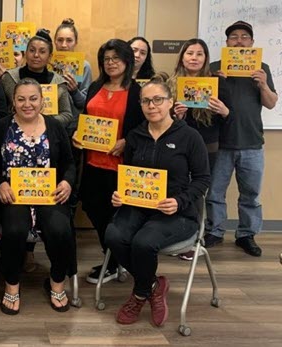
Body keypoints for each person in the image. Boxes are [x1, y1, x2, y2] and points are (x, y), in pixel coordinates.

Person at [104, 75, 210, 327]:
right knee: (113, 235)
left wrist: (179, 201)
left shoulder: (189, 137)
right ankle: (153, 284)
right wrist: (120, 194)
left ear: (171, 102)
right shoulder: (135, 136)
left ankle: (139, 294)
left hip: (177, 212)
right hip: (137, 206)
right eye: (146, 101)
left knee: (143, 242)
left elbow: (203, 179)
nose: (152, 106)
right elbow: (128, 175)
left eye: (158, 100)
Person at [0, 78, 77, 315]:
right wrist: (0, 183)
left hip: (49, 195)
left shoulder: (55, 127)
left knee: (59, 228)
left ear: (42, 101)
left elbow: (69, 162)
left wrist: (66, 182)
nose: (27, 104)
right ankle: (12, 284)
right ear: (13, 102)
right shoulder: (0, 127)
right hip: (13, 196)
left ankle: (57, 281)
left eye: (33, 98)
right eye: (21, 99)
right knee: (14, 230)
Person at [73, 39, 144, 284]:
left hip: (122, 165)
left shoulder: (137, 92)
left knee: (117, 216)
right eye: (106, 59)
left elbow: (146, 126)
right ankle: (113, 258)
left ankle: (114, 262)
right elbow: (86, 117)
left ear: (127, 60)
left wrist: (127, 140)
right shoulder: (95, 87)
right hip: (93, 161)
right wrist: (78, 134)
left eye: (116, 58)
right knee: (93, 208)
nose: (111, 63)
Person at [205, 21, 278, 257]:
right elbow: (201, 105)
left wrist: (263, 84)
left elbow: (271, 103)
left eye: (244, 36)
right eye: (233, 37)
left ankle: (246, 234)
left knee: (251, 194)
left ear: (252, 43)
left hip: (252, 142)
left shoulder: (261, 68)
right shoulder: (214, 68)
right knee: (215, 192)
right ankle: (214, 231)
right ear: (227, 43)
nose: (239, 40)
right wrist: (218, 82)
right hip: (220, 142)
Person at [0, 29, 74, 133]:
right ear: (26, 53)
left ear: (49, 57)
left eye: (42, 52)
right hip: (13, 132)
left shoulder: (58, 82)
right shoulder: (9, 78)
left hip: (49, 133)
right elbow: (0, 110)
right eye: (32, 50)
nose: (36, 55)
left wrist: (44, 121)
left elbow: (67, 115)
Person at [169, 38, 231, 170]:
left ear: (205, 58)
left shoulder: (218, 82)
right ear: (182, 57)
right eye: (190, 53)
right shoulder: (169, 84)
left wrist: (225, 112)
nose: (194, 58)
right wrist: (178, 117)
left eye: (199, 54)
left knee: (203, 187)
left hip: (208, 147)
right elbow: (162, 120)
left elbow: (231, 121)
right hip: (178, 146)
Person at [54, 18, 92, 112]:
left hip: (73, 122)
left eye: (69, 40)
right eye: (60, 40)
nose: (64, 45)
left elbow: (85, 104)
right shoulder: (47, 64)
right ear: (55, 42)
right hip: (49, 119)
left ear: (76, 43)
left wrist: (75, 91)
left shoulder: (84, 66)